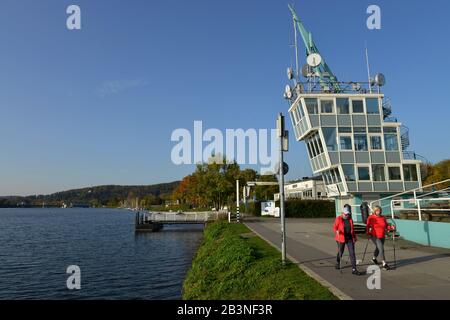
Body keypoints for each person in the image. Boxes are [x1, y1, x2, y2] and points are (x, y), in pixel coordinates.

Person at [333, 205, 362, 275]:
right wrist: (336, 230)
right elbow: (335, 227)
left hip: (349, 238)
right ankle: (338, 261)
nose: (347, 215)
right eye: (346, 214)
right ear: (342, 213)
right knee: (341, 251)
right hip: (341, 237)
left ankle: (354, 269)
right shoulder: (338, 219)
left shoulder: (350, 220)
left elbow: (352, 230)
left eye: (348, 214)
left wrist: (354, 237)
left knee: (352, 253)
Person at [366, 206, 395, 270]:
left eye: (379, 210)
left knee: (378, 248)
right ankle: (384, 264)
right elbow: (367, 226)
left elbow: (386, 226)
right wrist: (368, 233)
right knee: (381, 248)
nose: (378, 212)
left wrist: (391, 228)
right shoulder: (371, 217)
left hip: (382, 235)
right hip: (374, 236)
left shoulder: (383, 217)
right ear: (374, 211)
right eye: (377, 211)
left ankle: (374, 258)